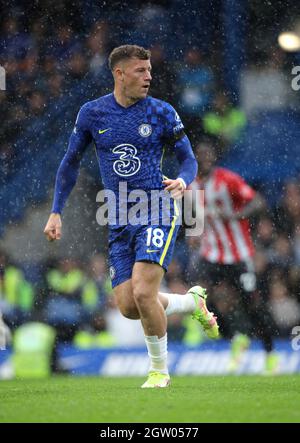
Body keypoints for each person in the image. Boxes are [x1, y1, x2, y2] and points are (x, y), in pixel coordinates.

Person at [43, 45, 219, 388]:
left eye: (150, 70)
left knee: (143, 292)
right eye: (140, 71)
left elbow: (189, 159)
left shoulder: (162, 112)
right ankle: (191, 302)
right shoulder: (92, 114)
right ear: (119, 74)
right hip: (119, 217)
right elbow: (70, 163)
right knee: (127, 305)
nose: (149, 76)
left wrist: (183, 180)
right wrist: (56, 212)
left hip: (158, 208)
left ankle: (159, 372)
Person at [188, 141, 279, 374]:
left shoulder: (227, 180)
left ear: (214, 158)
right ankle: (237, 336)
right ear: (196, 159)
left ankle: (269, 354)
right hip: (211, 255)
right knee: (203, 299)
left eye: (208, 155)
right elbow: (194, 221)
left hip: (238, 255)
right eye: (201, 156)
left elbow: (258, 202)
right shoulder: (192, 187)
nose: (205, 159)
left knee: (253, 305)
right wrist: (194, 235)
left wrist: (236, 214)